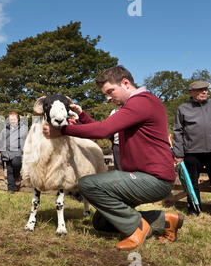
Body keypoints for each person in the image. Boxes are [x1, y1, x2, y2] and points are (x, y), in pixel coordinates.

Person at [43, 66, 181, 250]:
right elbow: (106, 130)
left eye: (110, 91)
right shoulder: (130, 108)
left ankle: (137, 228)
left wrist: (62, 130)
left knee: (87, 183)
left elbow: (102, 130)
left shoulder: (143, 102)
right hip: (141, 177)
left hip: (153, 179)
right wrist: (82, 115)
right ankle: (165, 221)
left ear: (125, 83)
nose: (108, 97)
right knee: (101, 221)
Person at [172, 80, 211, 216]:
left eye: (205, 89)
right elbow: (178, 131)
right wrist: (178, 153)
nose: (204, 92)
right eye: (200, 90)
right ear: (191, 92)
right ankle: (194, 209)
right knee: (192, 183)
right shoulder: (183, 108)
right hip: (191, 152)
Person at [0, 112, 28, 193]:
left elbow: (27, 139)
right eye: (11, 119)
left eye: (14, 119)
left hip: (18, 151)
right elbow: (0, 140)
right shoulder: (5, 129)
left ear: (17, 119)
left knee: (16, 163)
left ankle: (17, 176)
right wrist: (1, 150)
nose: (12, 121)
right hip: (7, 152)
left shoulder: (23, 128)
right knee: (9, 171)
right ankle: (11, 189)